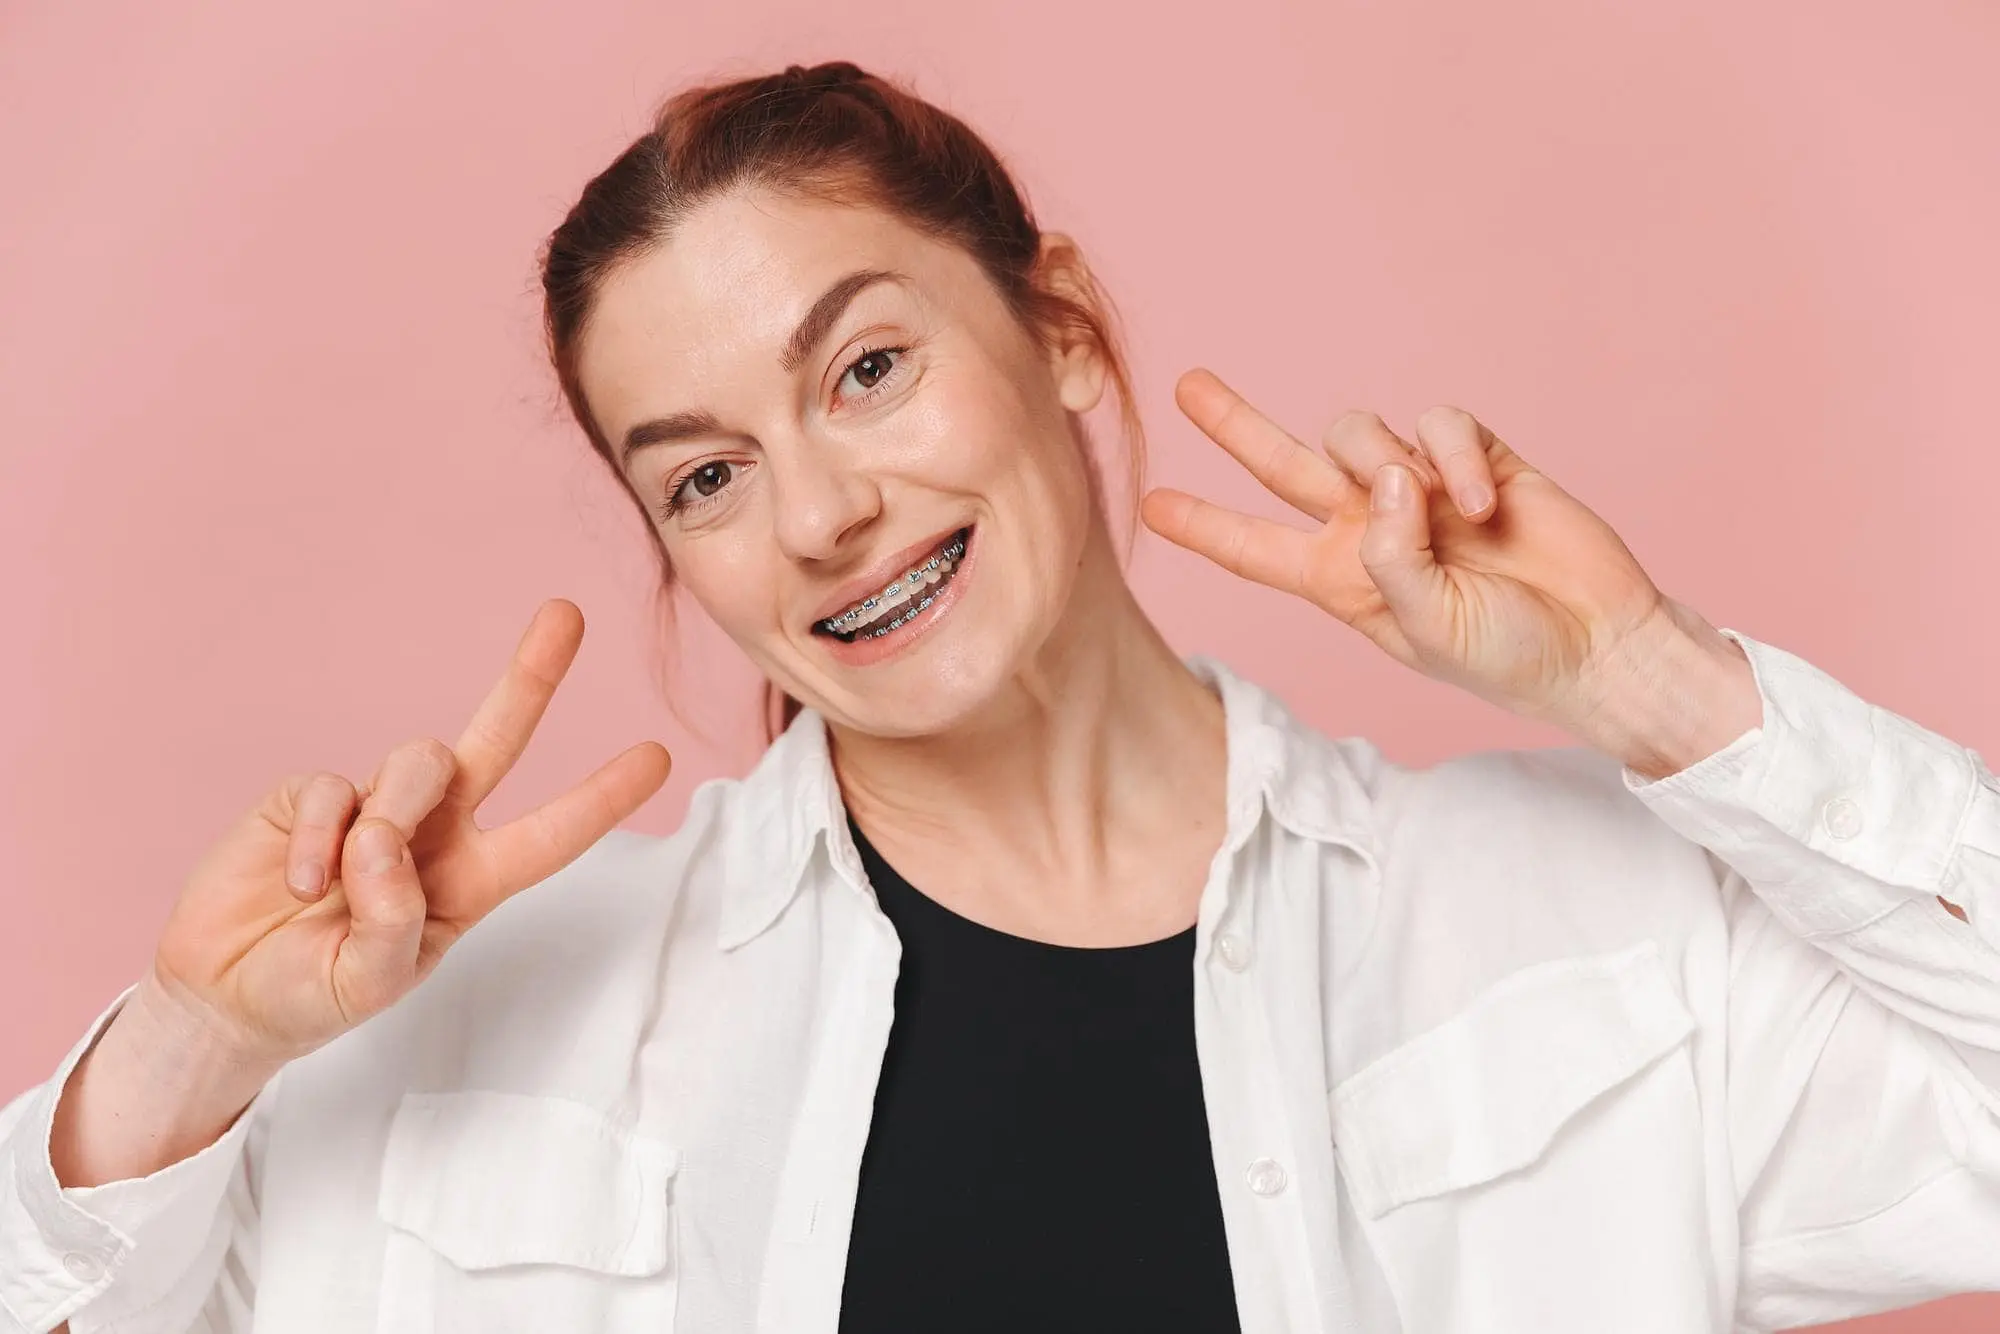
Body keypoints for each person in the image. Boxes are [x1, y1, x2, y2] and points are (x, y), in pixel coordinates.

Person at [3, 59, 1996, 1334]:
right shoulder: (506, 1029)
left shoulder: (1569, 937)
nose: (822, 513)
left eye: (865, 368)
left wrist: (1649, 681)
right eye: (704, 474)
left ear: (1054, 331)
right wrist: (187, 1047)